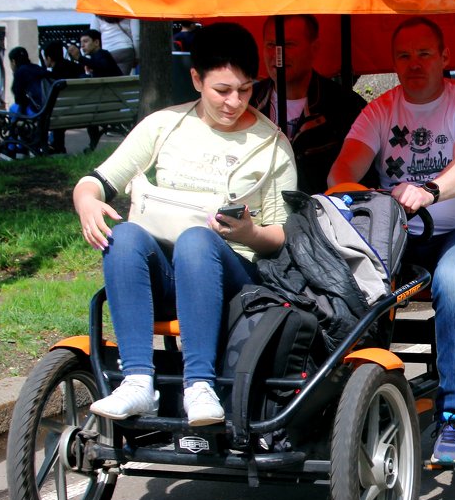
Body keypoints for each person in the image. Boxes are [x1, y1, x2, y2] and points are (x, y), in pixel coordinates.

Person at [76, 22, 297, 426]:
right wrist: (86, 200)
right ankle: (138, 380)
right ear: (196, 79)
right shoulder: (165, 126)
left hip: (234, 278)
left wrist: (249, 232)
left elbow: (283, 238)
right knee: (123, 235)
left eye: (245, 90)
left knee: (197, 240)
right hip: (168, 275)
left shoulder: (272, 145)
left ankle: (200, 384)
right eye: (222, 90)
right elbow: (100, 179)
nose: (234, 102)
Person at [327, 17, 455, 467]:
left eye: (425, 54)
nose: (414, 64)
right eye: (404, 55)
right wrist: (370, 196)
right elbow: (341, 174)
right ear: (393, 62)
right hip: (395, 234)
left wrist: (430, 191)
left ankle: (454, 417)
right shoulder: (380, 109)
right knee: (344, 285)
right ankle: (351, 397)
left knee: (454, 283)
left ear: (444, 58)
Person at [250, 14, 368, 194]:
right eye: (271, 45)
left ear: (314, 48)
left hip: (322, 213)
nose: (277, 54)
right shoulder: (248, 103)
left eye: (288, 45)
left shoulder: (345, 105)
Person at [43, 41, 84, 153]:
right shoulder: (76, 67)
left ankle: (57, 146)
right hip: (84, 111)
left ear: (49, 58)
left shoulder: (54, 74)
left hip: (63, 113)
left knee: (55, 112)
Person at [6, 47, 49, 116]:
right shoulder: (37, 67)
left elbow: (18, 99)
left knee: (12, 108)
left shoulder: (20, 72)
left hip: (38, 112)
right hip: (49, 109)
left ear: (13, 62)